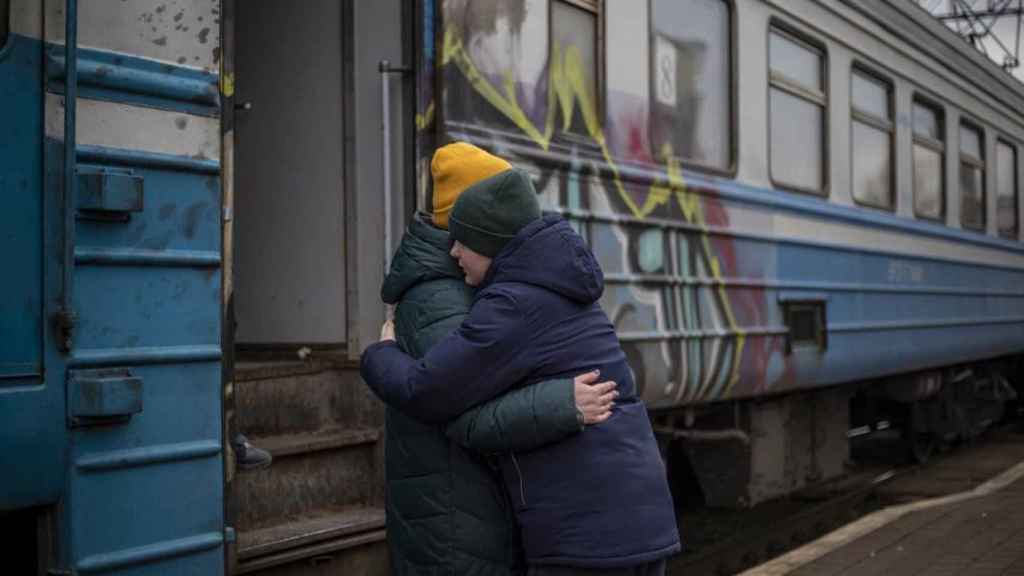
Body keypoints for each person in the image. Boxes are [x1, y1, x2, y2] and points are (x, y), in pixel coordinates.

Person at [362, 158, 681, 575]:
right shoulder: (560, 281)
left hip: (585, 530)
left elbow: (427, 390)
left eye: (462, 241)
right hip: (635, 515)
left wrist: (379, 353)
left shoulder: (511, 305)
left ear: (489, 243)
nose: (453, 251)